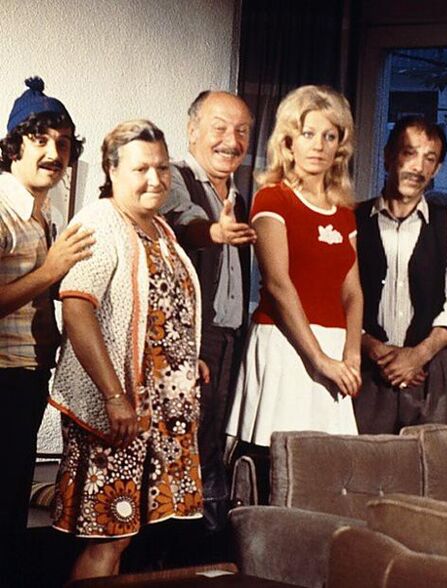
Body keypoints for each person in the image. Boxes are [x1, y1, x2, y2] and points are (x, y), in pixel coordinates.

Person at [49, 120, 207, 580]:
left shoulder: (161, 229)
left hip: (158, 417)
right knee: (109, 535)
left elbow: (159, 312)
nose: (155, 179)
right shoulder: (100, 222)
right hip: (118, 411)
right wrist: (114, 396)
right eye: (141, 169)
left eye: (162, 167)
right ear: (112, 169)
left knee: (131, 536)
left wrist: (186, 358)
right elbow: (78, 309)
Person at [226, 85, 362, 496]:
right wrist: (318, 359)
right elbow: (278, 284)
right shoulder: (273, 198)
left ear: (340, 145)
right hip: (287, 343)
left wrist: (351, 354)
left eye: (329, 136)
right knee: (277, 465)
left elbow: (353, 291)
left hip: (335, 347)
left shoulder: (344, 212)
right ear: (288, 141)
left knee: (326, 471)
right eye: (308, 134)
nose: (318, 145)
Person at [0, 77, 93, 585]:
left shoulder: (43, 215)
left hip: (27, 375)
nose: (54, 153)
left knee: (12, 499)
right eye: (40, 140)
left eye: (63, 142)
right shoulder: (1, 210)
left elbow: (45, 289)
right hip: (2, 375)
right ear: (14, 145)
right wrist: (52, 270)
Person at [161, 91, 256, 532]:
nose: (231, 141)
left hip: (231, 338)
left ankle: (207, 544)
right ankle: (175, 550)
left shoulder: (239, 193)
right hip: (194, 338)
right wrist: (215, 231)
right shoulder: (173, 177)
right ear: (193, 130)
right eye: (219, 128)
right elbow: (186, 222)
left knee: (213, 443)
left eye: (242, 131)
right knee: (183, 445)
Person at [353, 116, 447, 434]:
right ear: (388, 156)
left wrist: (419, 355)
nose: (418, 167)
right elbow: (337, 298)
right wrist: (375, 349)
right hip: (366, 370)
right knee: (365, 459)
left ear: (437, 169)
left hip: (431, 373)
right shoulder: (352, 220)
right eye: (409, 153)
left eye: (429, 159)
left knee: (429, 461)